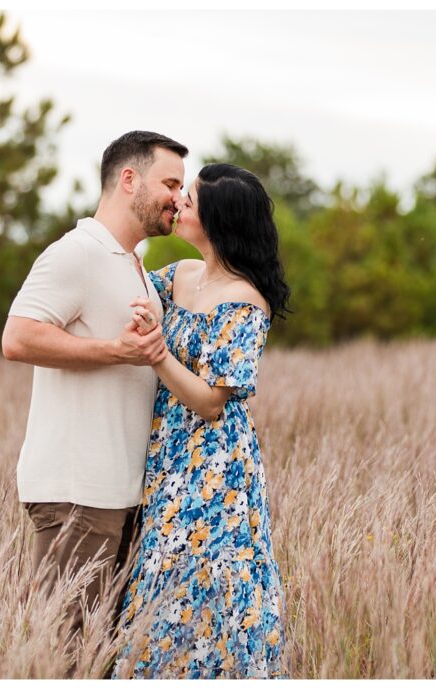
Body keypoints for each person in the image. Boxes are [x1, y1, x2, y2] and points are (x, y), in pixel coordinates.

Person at [1, 131, 187, 648]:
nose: (179, 196)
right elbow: (17, 338)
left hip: (120, 499)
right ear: (129, 180)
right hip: (76, 496)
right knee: (63, 659)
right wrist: (115, 351)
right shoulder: (77, 253)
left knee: (97, 661)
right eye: (170, 182)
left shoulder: (136, 268)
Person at [112, 163, 291, 679]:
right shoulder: (183, 275)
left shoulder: (244, 299)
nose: (179, 204)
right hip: (166, 455)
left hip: (215, 466)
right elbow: (139, 290)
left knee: (206, 579)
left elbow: (213, 401)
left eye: (190, 198)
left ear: (218, 219)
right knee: (158, 577)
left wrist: (157, 353)